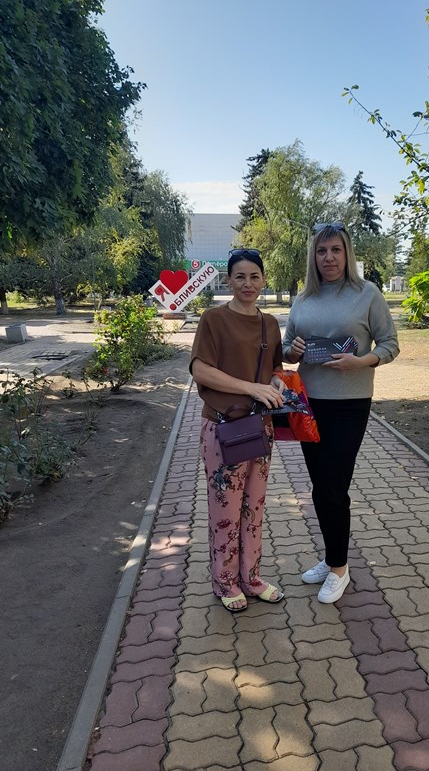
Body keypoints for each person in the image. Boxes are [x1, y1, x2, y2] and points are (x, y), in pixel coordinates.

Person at [282, 222, 399, 603]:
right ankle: (332, 556)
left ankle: (339, 569)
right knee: (320, 486)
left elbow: (390, 344)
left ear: (347, 253)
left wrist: (362, 362)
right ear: (313, 256)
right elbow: (286, 348)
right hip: (309, 404)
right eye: (321, 251)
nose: (328, 257)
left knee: (334, 486)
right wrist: (292, 351)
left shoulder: (367, 294)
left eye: (335, 250)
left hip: (350, 404)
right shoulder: (303, 299)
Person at [190, 248, 286, 612]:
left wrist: (275, 382)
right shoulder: (213, 319)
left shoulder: (269, 323)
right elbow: (200, 370)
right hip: (223, 427)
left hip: (259, 428)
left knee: (254, 507)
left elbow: (275, 367)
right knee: (225, 511)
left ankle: (251, 578)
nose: (248, 283)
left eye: (254, 276)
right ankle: (225, 582)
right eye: (240, 277)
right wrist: (251, 388)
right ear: (228, 281)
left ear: (263, 280)